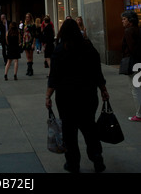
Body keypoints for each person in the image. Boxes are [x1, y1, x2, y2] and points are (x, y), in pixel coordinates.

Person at [45, 18, 109, 173]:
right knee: (89, 127)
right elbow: (97, 72)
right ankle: (96, 156)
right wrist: (103, 89)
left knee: (69, 131)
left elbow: (54, 76)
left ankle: (73, 163)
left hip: (66, 97)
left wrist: (48, 96)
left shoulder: (60, 50)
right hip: (87, 94)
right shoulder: (88, 48)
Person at [121, 10, 141, 122]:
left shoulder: (128, 31)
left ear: (130, 21)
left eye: (124, 19)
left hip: (134, 64)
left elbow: (132, 48)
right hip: (138, 63)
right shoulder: (138, 30)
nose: (122, 21)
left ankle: (139, 114)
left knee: (135, 89)